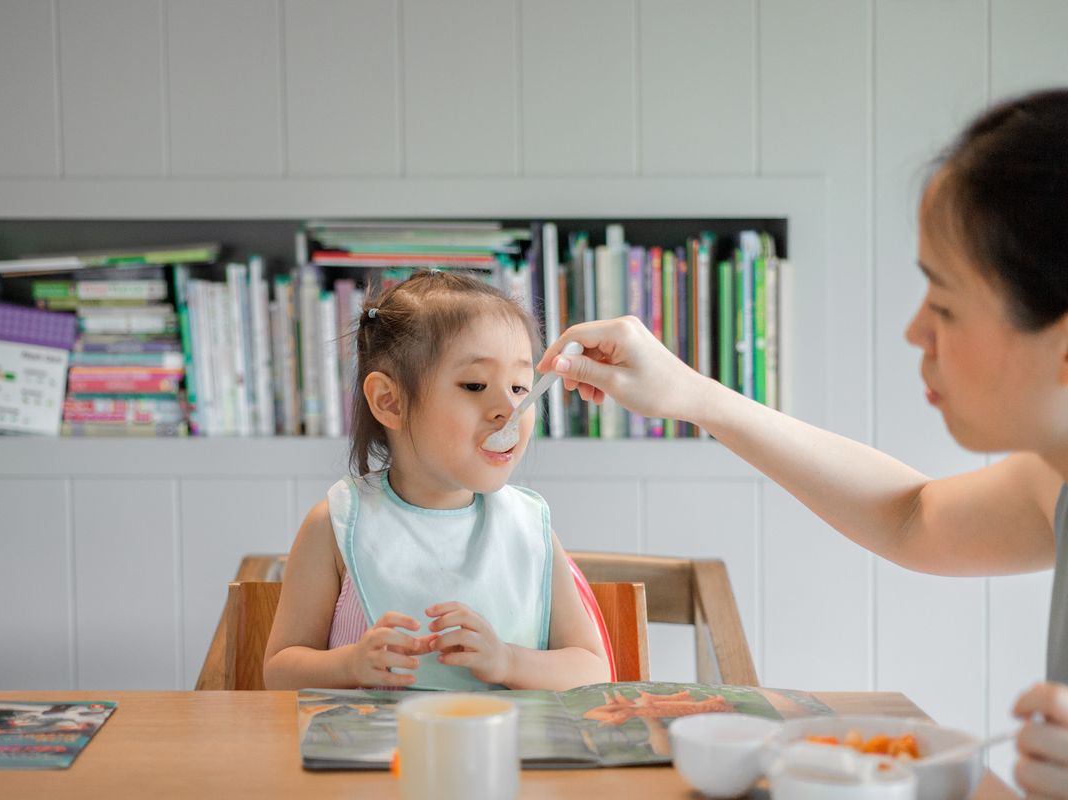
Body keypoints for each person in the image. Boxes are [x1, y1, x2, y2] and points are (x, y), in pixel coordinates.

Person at [537, 88, 1068, 798]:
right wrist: (691, 394)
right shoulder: (1052, 481)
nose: (916, 330)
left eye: (944, 304)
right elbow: (913, 516)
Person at [263, 270, 609, 692]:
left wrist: (507, 661)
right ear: (389, 402)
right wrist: (350, 665)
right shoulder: (335, 525)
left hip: (508, 755)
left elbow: (592, 670)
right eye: (475, 384)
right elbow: (279, 672)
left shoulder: (529, 526)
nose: (509, 409)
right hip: (372, 755)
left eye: (521, 387)